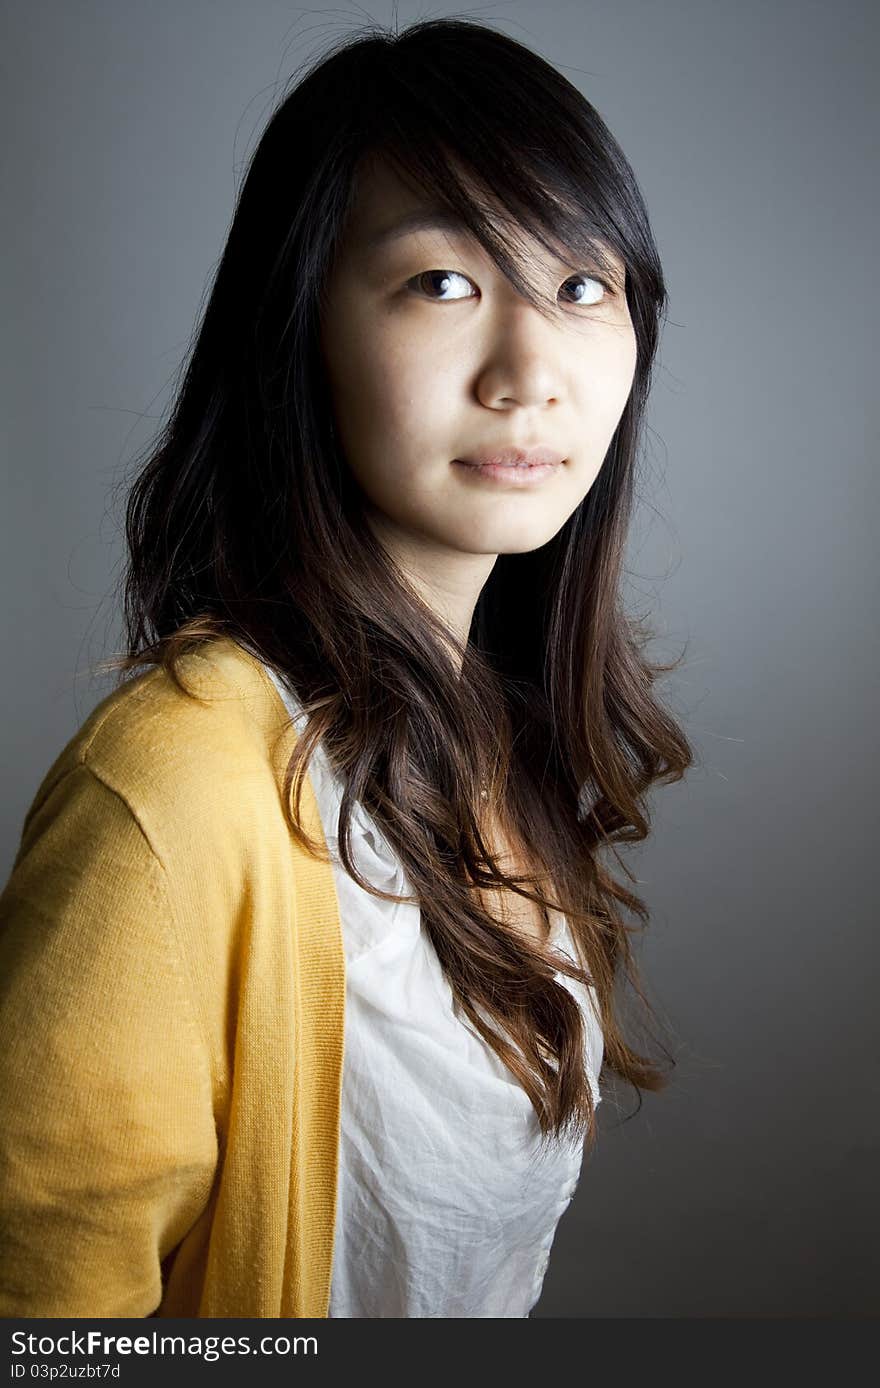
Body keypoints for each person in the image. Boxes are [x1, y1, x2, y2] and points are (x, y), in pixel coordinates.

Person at [0, 17, 693, 1318]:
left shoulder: (489, 743)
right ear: (298, 328)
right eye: (442, 283)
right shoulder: (174, 795)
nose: (531, 370)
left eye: (582, 286)